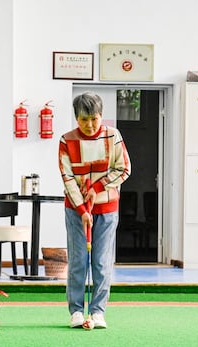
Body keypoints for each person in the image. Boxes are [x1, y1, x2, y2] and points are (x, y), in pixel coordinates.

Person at [58, 92, 131, 329]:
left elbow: (124, 169)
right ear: (76, 118)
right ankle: (77, 311)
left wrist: (98, 187)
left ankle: (98, 312)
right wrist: (82, 209)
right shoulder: (66, 141)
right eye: (83, 120)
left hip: (107, 209)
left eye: (94, 119)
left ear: (101, 116)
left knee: (100, 261)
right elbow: (68, 178)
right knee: (79, 260)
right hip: (76, 210)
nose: (89, 125)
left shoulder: (113, 136)